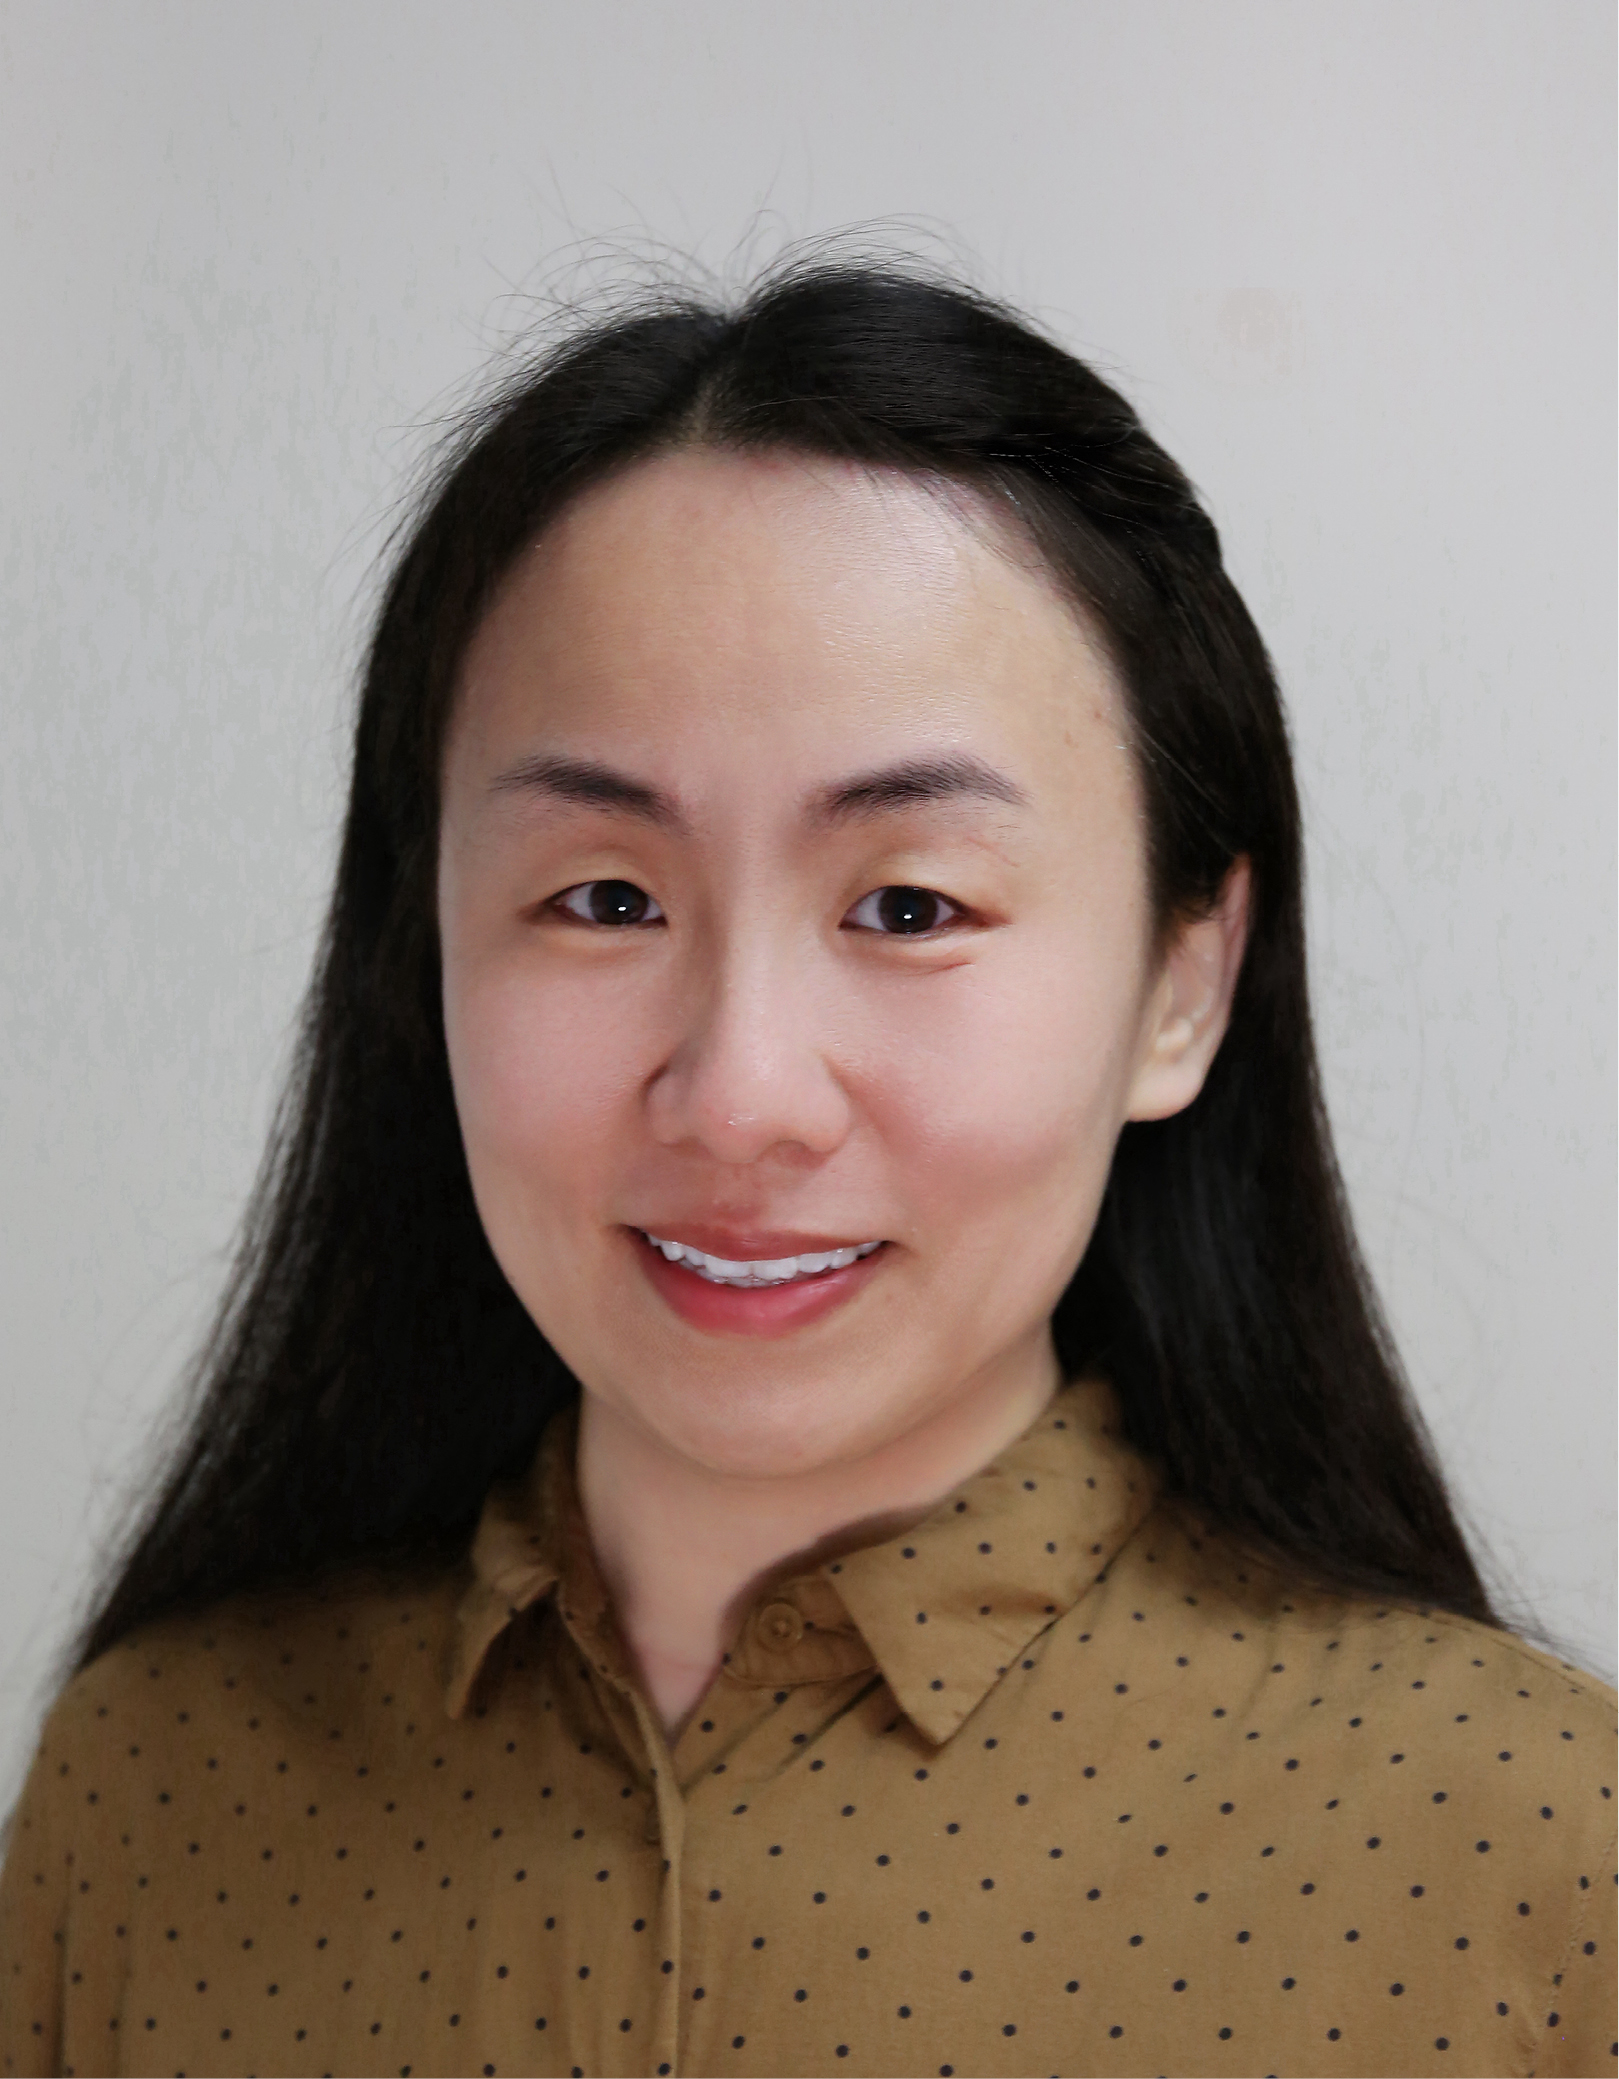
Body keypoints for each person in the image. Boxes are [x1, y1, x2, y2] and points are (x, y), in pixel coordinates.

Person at [0, 258, 1611, 2079]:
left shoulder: (1529, 1864)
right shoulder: (149, 1801)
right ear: (421, 949)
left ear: (1184, 984)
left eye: (910, 906)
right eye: (604, 898)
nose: (742, 1097)